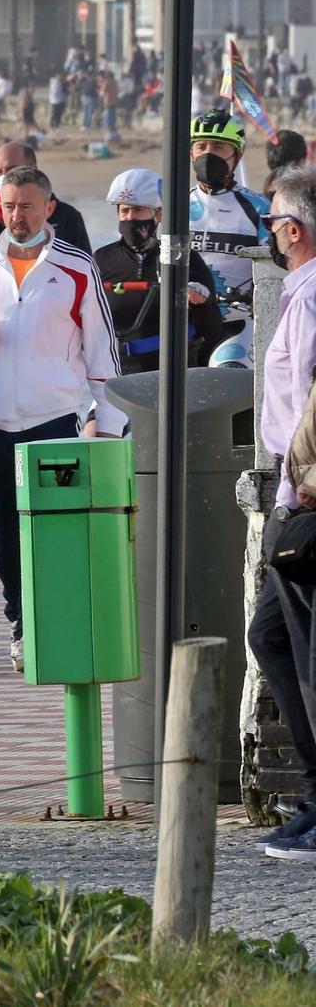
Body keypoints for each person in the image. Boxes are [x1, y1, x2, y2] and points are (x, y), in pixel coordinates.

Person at [0, 165, 122, 671]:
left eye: (26, 205)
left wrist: (104, 425)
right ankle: (21, 621)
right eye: (8, 205)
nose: (16, 215)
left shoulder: (76, 269)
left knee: (56, 529)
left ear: (49, 208)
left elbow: (102, 353)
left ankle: (56, 620)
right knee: (2, 534)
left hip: (54, 420)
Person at [254, 166, 316, 859]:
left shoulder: (306, 301)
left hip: (303, 495)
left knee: (305, 651)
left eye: (273, 222)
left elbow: (307, 406)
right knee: (272, 639)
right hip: (290, 488)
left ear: (293, 232)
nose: (269, 231)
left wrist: (298, 490)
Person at [93, 169, 223, 375]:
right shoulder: (102, 259)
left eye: (138, 210)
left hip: (174, 374)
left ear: (159, 214)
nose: (130, 218)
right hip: (117, 374)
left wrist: (201, 302)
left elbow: (213, 328)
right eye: (124, 211)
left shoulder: (183, 258)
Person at [187, 109, 270, 363]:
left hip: (234, 325)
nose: (208, 153)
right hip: (182, 324)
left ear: (238, 154)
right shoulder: (174, 205)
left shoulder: (259, 208)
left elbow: (272, 270)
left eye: (219, 146)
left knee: (228, 376)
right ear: (191, 152)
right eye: (201, 146)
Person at [0, 140, 93, 254]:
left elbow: (84, 266)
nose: (5, 176)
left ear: (33, 169)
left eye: (12, 169)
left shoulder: (67, 217)